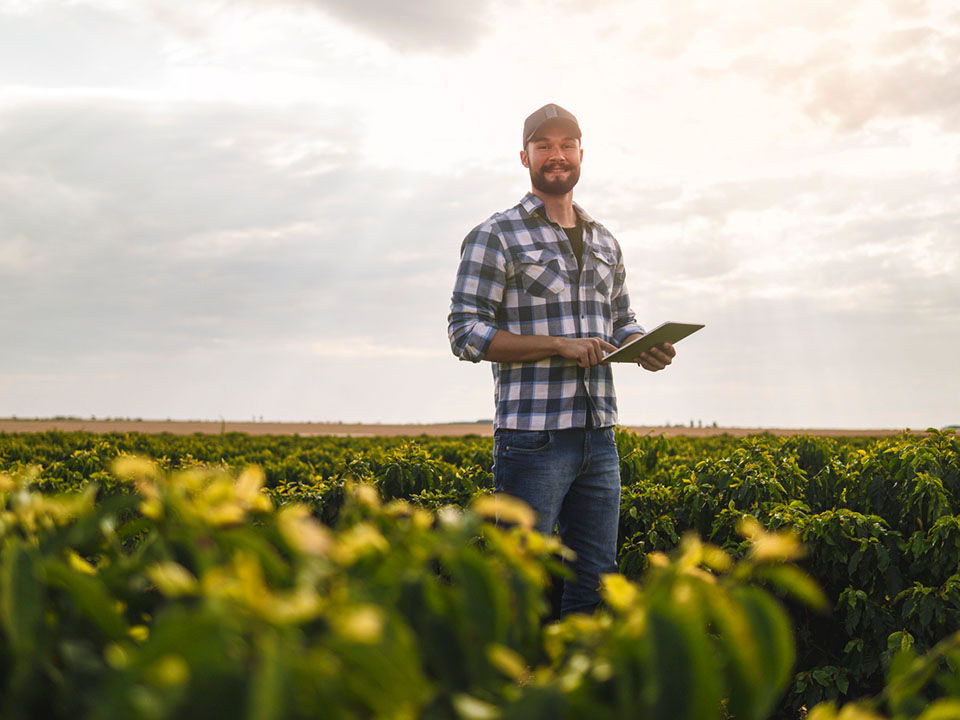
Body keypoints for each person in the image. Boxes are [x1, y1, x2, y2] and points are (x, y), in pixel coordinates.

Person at [447, 103, 676, 616]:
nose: (557, 155)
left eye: (566, 145)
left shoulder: (604, 240)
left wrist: (644, 345)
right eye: (544, 145)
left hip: (600, 435)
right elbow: (465, 333)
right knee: (518, 583)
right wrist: (557, 343)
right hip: (533, 439)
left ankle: (575, 691)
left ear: (580, 155)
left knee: (595, 582)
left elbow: (620, 317)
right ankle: (507, 690)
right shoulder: (496, 235)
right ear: (524, 156)